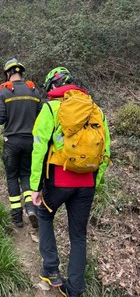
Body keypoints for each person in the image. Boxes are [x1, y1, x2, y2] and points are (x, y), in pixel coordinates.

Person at [30, 67, 111, 297]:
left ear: (53, 87)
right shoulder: (96, 111)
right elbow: (106, 151)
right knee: (78, 235)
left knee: (44, 214)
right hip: (87, 183)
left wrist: (35, 187)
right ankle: (74, 289)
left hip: (58, 180)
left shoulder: (50, 107)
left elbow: (38, 149)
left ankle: (50, 269)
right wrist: (95, 181)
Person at [0, 58, 41, 228]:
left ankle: (17, 217)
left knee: (11, 177)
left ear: (8, 74)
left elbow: (1, 119)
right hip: (30, 142)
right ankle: (30, 209)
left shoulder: (4, 92)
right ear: (21, 73)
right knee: (26, 175)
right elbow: (41, 119)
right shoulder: (34, 91)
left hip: (11, 142)